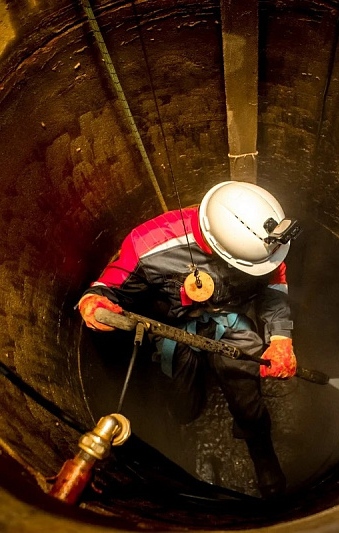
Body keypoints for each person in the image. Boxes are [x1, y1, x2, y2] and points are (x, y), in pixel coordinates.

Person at [77, 181, 300, 498]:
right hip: (176, 330)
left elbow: (274, 284)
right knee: (183, 407)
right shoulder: (149, 245)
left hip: (232, 324)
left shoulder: (263, 246)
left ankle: (260, 447)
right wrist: (93, 301)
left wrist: (280, 337)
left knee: (248, 396)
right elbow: (107, 286)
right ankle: (185, 420)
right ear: (218, 249)